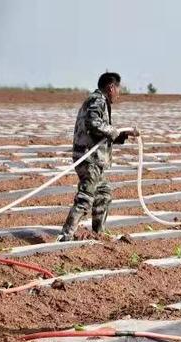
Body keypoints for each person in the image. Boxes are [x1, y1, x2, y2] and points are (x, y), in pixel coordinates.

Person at [59, 72, 138, 241]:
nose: (119, 92)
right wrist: (114, 130)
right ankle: (66, 236)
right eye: (118, 88)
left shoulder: (99, 101)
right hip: (89, 158)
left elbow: (101, 134)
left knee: (103, 194)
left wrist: (124, 134)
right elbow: (93, 123)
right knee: (86, 198)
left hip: (94, 158)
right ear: (111, 87)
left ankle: (98, 233)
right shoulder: (98, 100)